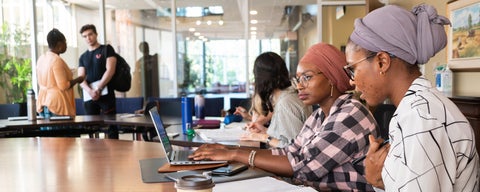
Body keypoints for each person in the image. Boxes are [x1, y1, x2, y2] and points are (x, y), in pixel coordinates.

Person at [190, 43, 379, 191]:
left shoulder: (350, 113)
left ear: (331, 77)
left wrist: (235, 154)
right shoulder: (320, 115)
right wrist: (228, 149)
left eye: (307, 77)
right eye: (298, 79)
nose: (299, 86)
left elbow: (304, 168)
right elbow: (290, 151)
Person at [345, 4, 479, 191]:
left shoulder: (422, 118)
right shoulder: (415, 110)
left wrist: (375, 179)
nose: (352, 81)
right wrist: (381, 180)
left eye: (353, 69)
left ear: (382, 62)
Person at [239, 52, 312, 148]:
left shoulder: (285, 103)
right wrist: (265, 131)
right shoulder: (288, 95)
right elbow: (285, 136)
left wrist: (263, 137)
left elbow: (293, 148)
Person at [77, 24, 119, 139]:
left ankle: (115, 155)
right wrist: (90, 91)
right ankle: (93, 155)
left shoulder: (107, 49)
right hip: (90, 96)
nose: (88, 38)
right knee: (90, 128)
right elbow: (80, 78)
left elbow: (110, 70)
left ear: (96, 34)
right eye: (85, 36)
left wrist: (98, 88)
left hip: (106, 95)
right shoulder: (83, 57)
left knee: (111, 127)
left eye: (90, 34)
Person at [36, 28, 84, 118]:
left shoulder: (41, 58)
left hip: (43, 102)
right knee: (60, 132)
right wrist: (79, 79)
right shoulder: (56, 60)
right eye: (65, 42)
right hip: (56, 105)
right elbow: (63, 86)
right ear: (59, 44)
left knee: (46, 132)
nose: (66, 45)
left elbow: (48, 79)